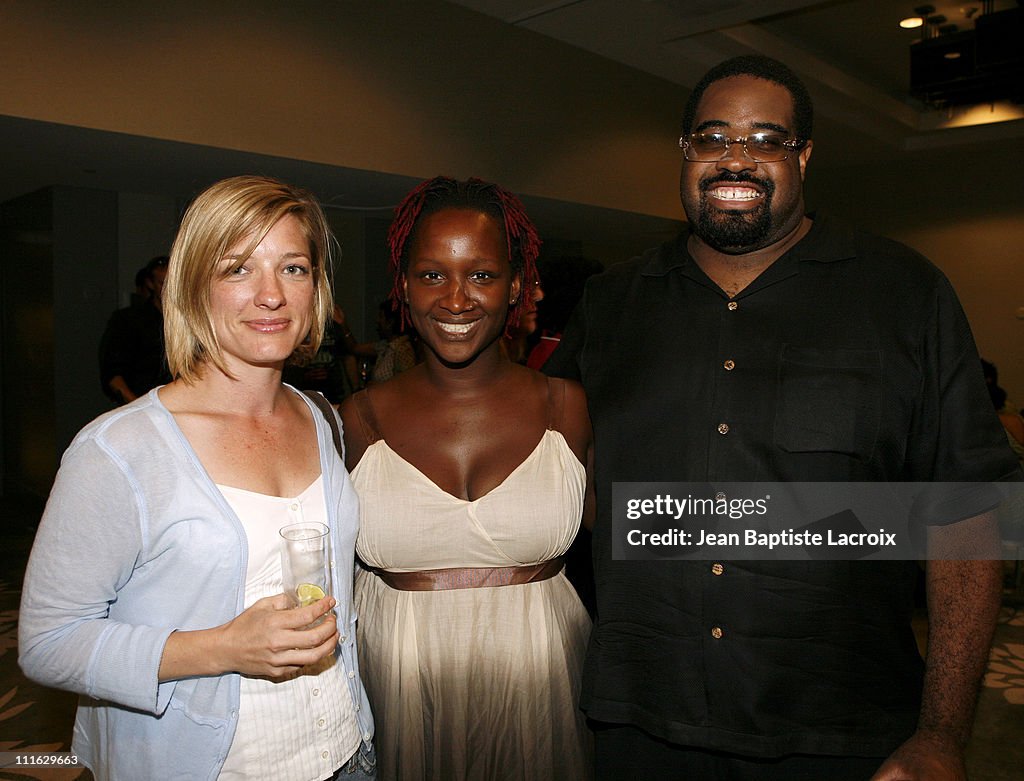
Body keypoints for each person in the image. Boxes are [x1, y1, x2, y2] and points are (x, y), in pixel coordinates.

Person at [545, 55, 1020, 780]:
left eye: (766, 139)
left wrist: (944, 730)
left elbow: (970, 512)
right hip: (642, 725)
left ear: (803, 155)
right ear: (685, 153)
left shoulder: (903, 294)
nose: (736, 158)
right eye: (712, 138)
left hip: (840, 733)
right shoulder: (613, 304)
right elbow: (554, 481)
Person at [19, 175, 374, 780]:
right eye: (238, 269)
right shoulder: (120, 449)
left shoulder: (318, 418)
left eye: (293, 268)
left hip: (344, 752)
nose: (271, 295)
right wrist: (225, 648)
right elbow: (48, 643)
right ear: (193, 289)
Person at [340, 176, 594, 780]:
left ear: (517, 287)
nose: (457, 299)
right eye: (433, 274)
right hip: (400, 696)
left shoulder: (569, 407)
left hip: (543, 698)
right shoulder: (355, 419)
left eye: (481, 274)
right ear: (404, 286)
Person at [98, 255, 172, 404]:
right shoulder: (129, 320)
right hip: (142, 407)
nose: (170, 290)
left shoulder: (191, 321)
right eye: (163, 283)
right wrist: (137, 407)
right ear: (151, 284)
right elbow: (113, 374)